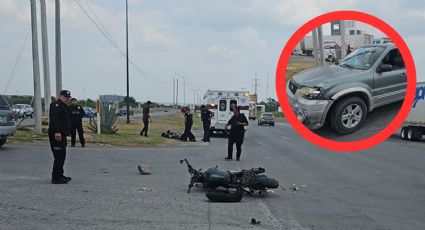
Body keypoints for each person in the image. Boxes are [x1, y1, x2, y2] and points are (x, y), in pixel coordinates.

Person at [48, 90, 72, 184]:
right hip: (57, 135)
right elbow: (55, 119)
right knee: (58, 156)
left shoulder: (63, 106)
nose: (67, 99)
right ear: (60, 96)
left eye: (68, 97)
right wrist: (57, 132)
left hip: (62, 135)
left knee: (62, 155)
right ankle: (55, 178)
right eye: (65, 97)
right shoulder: (56, 105)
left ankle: (60, 175)